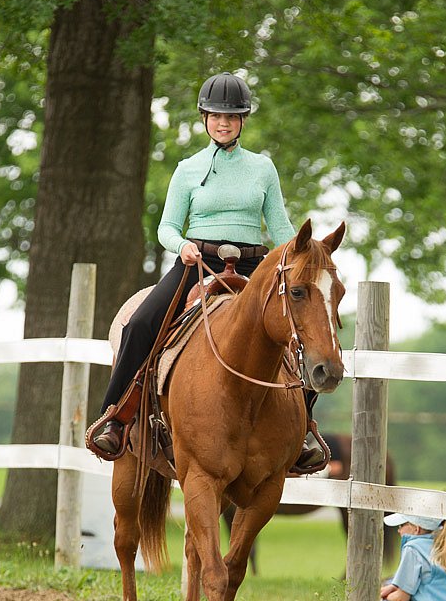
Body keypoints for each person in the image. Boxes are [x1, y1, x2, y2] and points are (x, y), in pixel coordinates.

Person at [92, 72, 325, 469]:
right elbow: (167, 227)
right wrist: (180, 246)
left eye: (231, 117)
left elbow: (282, 227)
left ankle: (301, 427)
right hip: (197, 262)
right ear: (204, 117)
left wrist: (303, 255)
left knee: (300, 331)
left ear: (243, 121)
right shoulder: (187, 169)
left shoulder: (263, 168)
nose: (223, 122)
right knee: (141, 323)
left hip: (255, 263)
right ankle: (116, 417)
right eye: (216, 115)